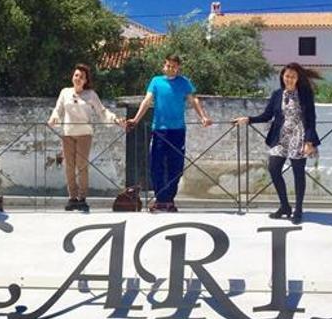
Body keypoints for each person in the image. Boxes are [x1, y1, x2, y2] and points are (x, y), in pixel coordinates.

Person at [233, 63, 320, 224]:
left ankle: (298, 210)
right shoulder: (277, 94)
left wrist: (309, 141)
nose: (289, 79)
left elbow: (311, 120)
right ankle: (285, 206)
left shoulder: (305, 94)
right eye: (287, 76)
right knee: (273, 169)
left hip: (299, 136)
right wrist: (248, 119)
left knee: (298, 173)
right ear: (282, 77)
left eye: (293, 76)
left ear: (298, 78)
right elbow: (267, 116)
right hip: (280, 137)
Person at [127, 54, 213, 212]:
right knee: (156, 165)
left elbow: (193, 100)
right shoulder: (156, 81)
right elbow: (147, 100)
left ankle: (169, 200)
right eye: (168, 65)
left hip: (178, 130)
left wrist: (203, 117)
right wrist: (136, 119)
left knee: (176, 166)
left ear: (178, 68)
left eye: (174, 66)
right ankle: (160, 199)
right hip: (159, 130)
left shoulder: (184, 82)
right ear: (163, 66)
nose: (171, 68)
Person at [48, 64, 125, 212]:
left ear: (85, 80)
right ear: (73, 77)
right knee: (69, 166)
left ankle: (82, 198)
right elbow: (58, 110)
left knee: (82, 165)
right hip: (67, 133)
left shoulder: (90, 95)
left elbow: (102, 112)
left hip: (84, 134)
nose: (78, 78)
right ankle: (72, 197)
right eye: (76, 75)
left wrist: (115, 120)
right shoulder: (65, 92)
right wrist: (54, 118)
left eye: (81, 77)